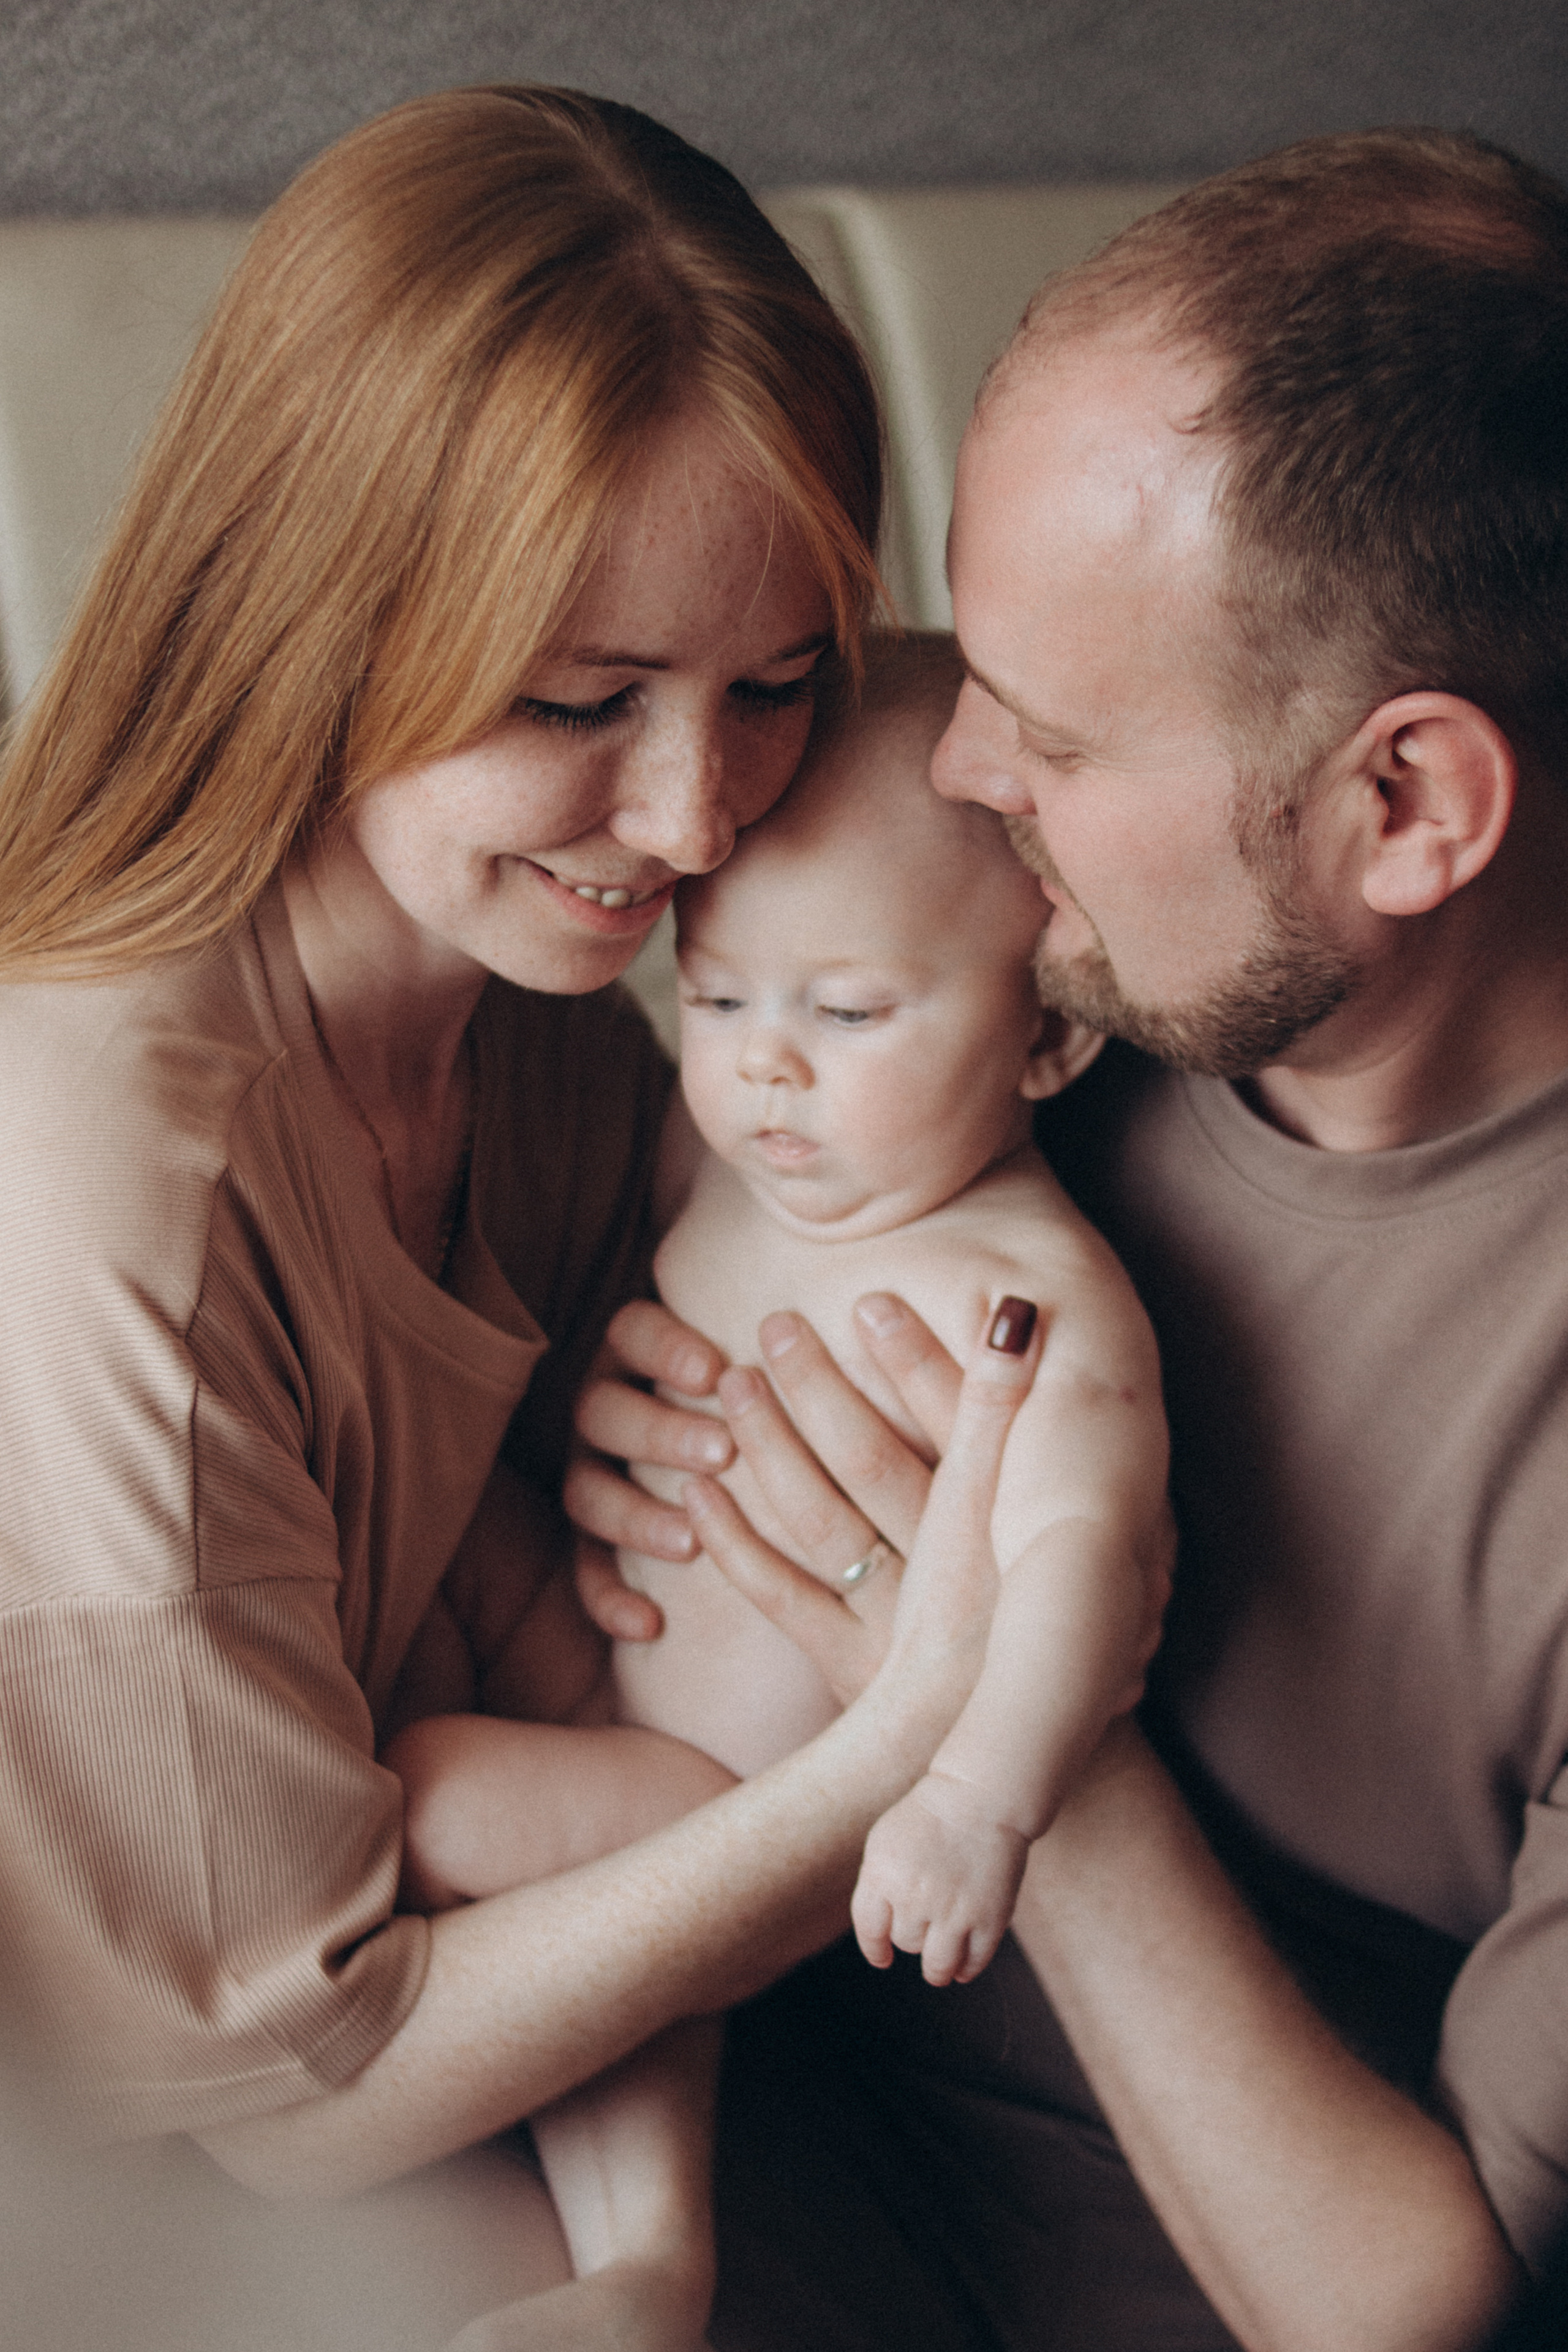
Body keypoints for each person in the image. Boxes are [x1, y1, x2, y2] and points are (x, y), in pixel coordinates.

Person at [0, 83, 1159, 2352]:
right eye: (577, 702)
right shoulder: (112, 1190)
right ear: (316, 613)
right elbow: (297, 2087)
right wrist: (908, 1733)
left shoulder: (540, 995)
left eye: (775, 684)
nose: (693, 814)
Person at [575, 128, 1568, 2350]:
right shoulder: (1057, 987)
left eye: (1053, 727)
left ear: (1404, 804)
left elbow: (1423, 2308)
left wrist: (991, 1698)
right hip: (674, 2110)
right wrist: (654, 1363)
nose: (951, 780)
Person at [388, 632, 1170, 2339]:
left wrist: (980, 1802)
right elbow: (643, 1331)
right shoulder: (740, 1144)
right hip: (604, 1647)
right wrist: (613, 1392)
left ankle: (650, 2255)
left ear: (1047, 1042)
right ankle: (635, 2272)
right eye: (722, 994)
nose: (764, 1066)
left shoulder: (1023, 1292)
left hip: (736, 1806)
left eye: (849, 1011)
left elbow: (1091, 1564)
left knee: (436, 1791)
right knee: (413, 1514)